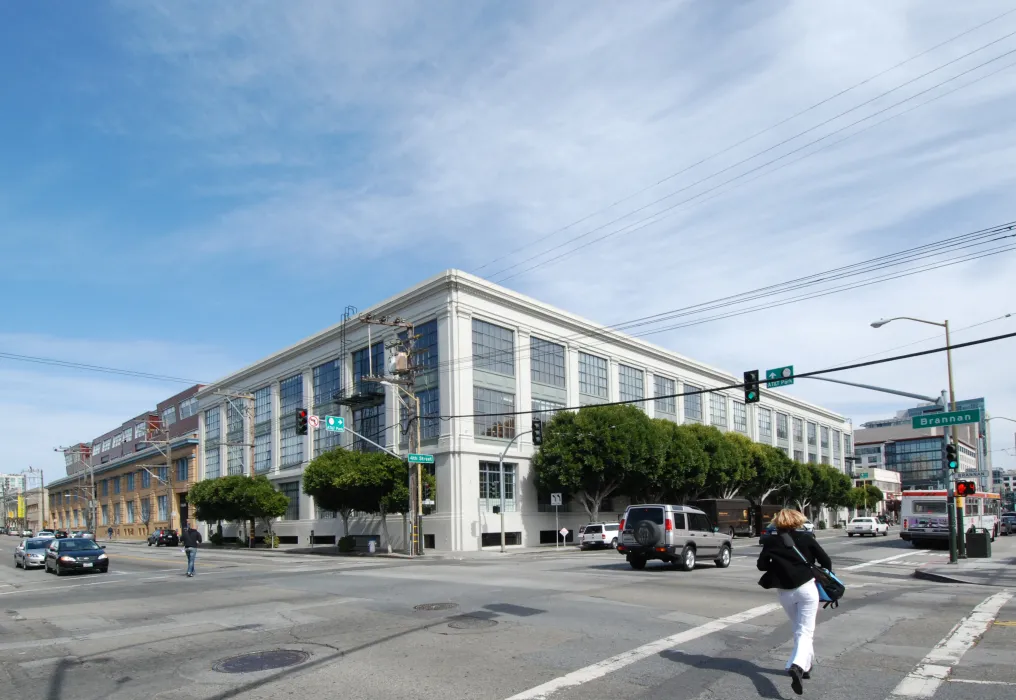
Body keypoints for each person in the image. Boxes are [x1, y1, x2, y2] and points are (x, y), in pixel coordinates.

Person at [757, 509, 833, 696]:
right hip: (807, 589)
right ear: (798, 521)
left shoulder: (771, 541)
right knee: (805, 630)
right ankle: (797, 666)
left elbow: (762, 565)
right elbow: (826, 561)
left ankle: (806, 667)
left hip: (785, 592)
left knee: (800, 629)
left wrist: (776, 560)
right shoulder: (806, 538)